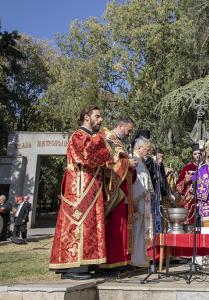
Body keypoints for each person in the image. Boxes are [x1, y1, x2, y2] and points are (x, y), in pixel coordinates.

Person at [49, 105, 112, 280]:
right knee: (78, 224)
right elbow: (88, 156)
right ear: (86, 117)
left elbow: (105, 157)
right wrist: (103, 143)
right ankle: (73, 267)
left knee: (91, 225)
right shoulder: (79, 135)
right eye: (97, 116)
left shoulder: (91, 137)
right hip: (79, 190)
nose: (101, 120)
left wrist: (104, 149)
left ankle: (86, 264)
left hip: (91, 187)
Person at [101, 117, 137, 270]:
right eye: (129, 130)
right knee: (115, 226)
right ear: (121, 126)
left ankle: (122, 260)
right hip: (114, 191)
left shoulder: (119, 142)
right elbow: (106, 163)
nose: (129, 134)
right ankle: (112, 262)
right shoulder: (108, 139)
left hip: (124, 190)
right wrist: (127, 163)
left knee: (122, 226)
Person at [130, 137, 154, 267]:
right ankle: (135, 259)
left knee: (141, 229)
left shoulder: (140, 161)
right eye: (146, 148)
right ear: (139, 148)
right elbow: (136, 183)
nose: (148, 151)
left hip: (142, 202)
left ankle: (140, 257)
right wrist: (135, 200)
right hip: (137, 202)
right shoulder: (134, 160)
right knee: (136, 229)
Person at [176, 144, 203, 225]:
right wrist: (186, 181)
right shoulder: (187, 167)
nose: (197, 155)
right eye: (195, 154)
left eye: (199, 153)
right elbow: (178, 187)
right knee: (190, 224)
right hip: (190, 200)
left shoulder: (207, 166)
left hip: (204, 199)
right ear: (192, 155)